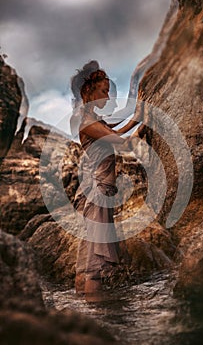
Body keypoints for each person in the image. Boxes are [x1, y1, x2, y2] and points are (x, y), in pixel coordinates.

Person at [70, 61, 142, 296]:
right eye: (104, 91)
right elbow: (121, 141)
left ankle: (82, 314)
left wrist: (136, 118)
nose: (108, 95)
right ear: (88, 93)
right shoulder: (88, 123)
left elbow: (115, 131)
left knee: (87, 261)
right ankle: (98, 321)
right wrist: (141, 123)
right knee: (95, 268)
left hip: (97, 192)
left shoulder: (94, 121)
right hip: (98, 193)